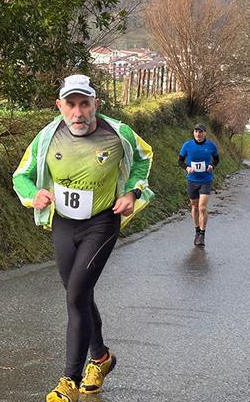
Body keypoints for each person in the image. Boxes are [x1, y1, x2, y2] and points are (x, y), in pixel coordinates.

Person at [12, 74, 154, 402]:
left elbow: (144, 160)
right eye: (71, 104)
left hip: (101, 223)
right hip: (63, 224)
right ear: (60, 106)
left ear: (95, 105)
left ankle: (69, 381)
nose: (78, 112)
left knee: (76, 294)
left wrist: (133, 191)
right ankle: (101, 358)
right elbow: (21, 175)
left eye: (84, 104)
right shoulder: (48, 136)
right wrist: (35, 194)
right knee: (80, 294)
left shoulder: (119, 134)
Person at [178, 124, 219, 247]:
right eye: (196, 132)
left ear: (205, 133)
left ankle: (202, 234)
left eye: (200, 132)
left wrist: (212, 166)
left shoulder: (211, 146)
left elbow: (216, 159)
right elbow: (180, 161)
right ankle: (197, 231)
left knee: (202, 207)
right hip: (192, 180)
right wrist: (187, 167)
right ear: (193, 133)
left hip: (206, 180)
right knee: (195, 207)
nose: (198, 134)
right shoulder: (187, 145)